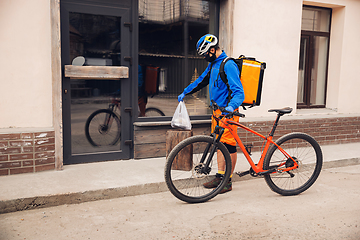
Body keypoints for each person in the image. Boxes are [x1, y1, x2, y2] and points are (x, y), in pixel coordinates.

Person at [178, 34, 244, 193]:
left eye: (206, 54)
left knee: (229, 146)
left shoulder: (228, 65)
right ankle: (221, 176)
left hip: (228, 113)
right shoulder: (213, 64)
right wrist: (185, 92)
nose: (205, 57)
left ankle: (227, 180)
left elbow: (239, 93)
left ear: (213, 50)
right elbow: (200, 80)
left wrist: (230, 108)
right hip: (216, 113)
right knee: (219, 144)